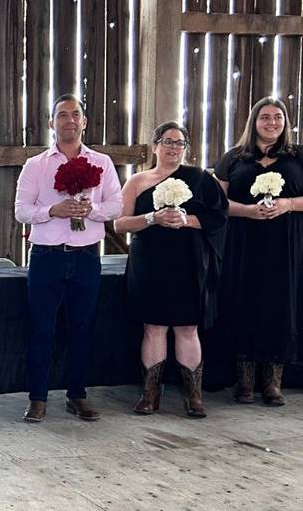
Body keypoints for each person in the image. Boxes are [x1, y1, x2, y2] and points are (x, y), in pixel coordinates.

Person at [14, 93, 123, 423]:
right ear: (52, 123)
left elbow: (116, 206)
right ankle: (38, 398)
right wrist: (53, 210)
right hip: (47, 258)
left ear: (84, 122)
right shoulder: (36, 165)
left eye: (75, 114)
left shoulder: (102, 163)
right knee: (41, 330)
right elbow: (21, 211)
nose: (69, 120)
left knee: (81, 328)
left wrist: (93, 209)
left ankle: (77, 394)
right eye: (62, 115)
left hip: (87, 257)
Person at [114, 122, 227, 418]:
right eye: (167, 142)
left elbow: (218, 215)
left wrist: (186, 220)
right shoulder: (137, 181)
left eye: (179, 143)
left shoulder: (200, 179)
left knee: (188, 327)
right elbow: (119, 224)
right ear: (155, 146)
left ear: (185, 149)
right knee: (153, 327)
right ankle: (150, 395)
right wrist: (153, 218)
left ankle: (194, 396)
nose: (173, 148)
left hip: (188, 262)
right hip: (150, 262)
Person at [215, 96, 303, 406]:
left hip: (287, 244)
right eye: (265, 117)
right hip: (244, 242)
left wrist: (288, 204)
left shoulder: (298, 156)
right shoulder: (234, 158)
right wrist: (248, 211)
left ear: (285, 122)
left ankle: (273, 381)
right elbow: (218, 202)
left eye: (278, 117)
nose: (272, 123)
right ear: (254, 122)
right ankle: (244, 380)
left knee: (281, 305)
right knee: (244, 302)